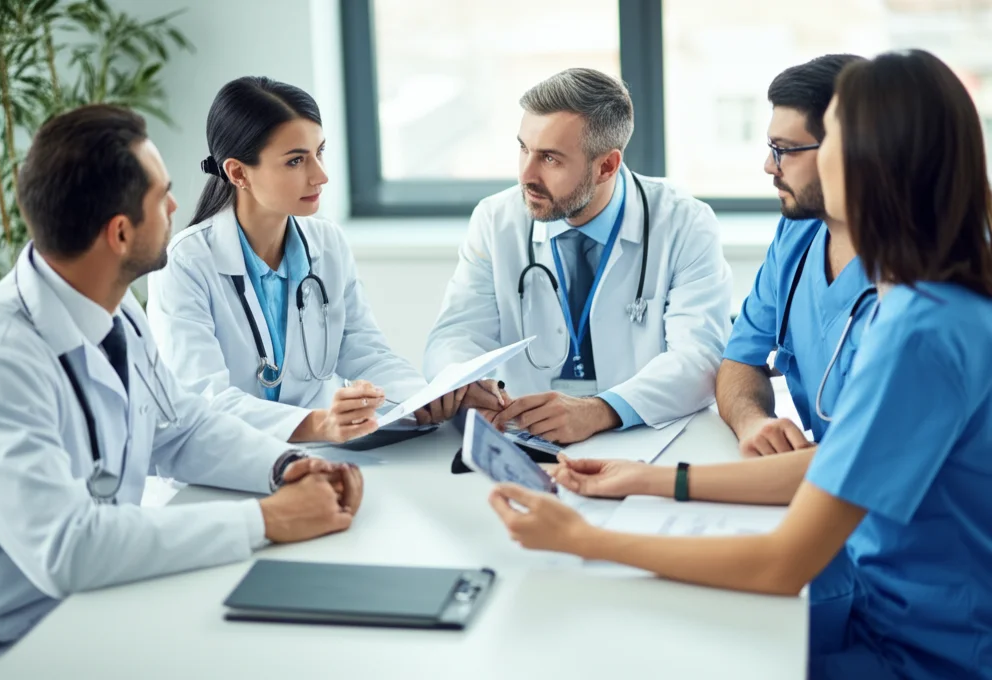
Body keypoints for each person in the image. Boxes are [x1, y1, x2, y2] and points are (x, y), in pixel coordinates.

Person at [489, 49, 992, 679]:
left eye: (814, 139)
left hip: (919, 646)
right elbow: (836, 464)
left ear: (872, 160)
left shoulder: (924, 332)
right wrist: (643, 478)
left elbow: (783, 565)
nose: (770, 164)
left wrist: (580, 539)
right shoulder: (933, 299)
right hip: (870, 595)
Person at [0, 105, 365, 678]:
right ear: (121, 232)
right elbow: (68, 549)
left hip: (98, 606)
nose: (178, 207)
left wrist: (286, 466)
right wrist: (267, 519)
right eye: (163, 196)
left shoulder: (111, 306)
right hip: (9, 644)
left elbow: (179, 426)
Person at [146, 77, 504, 444]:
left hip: (318, 458)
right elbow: (204, 399)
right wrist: (320, 424)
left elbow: (366, 352)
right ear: (238, 172)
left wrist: (431, 396)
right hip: (226, 465)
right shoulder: (186, 262)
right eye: (296, 160)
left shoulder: (327, 243)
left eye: (320, 152)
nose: (321, 175)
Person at [423, 68, 732, 444]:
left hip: (645, 437)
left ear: (606, 166)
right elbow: (455, 334)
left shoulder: (684, 222)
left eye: (550, 159)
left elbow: (700, 358)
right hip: (523, 438)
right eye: (523, 148)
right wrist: (464, 383)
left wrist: (600, 410)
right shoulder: (496, 219)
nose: (526, 175)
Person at [716, 54, 869, 457]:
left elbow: (862, 457)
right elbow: (738, 360)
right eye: (771, 147)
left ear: (849, 151)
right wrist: (753, 422)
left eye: (786, 149)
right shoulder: (798, 233)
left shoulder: (920, 277)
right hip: (813, 479)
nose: (769, 166)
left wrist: (665, 481)